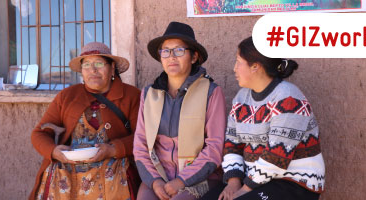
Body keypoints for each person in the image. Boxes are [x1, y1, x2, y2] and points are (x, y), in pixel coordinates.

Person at [202, 36, 325, 200]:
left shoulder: (289, 98)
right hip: (253, 179)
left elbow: (276, 157)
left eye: (238, 62)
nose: (234, 68)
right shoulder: (241, 98)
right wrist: (233, 182)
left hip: (293, 182)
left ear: (255, 67)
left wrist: (245, 190)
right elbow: (232, 144)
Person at [29, 42, 141, 200]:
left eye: (99, 64)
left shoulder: (132, 96)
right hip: (67, 175)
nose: (93, 70)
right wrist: (54, 151)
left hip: (114, 173)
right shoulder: (67, 96)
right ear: (81, 71)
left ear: (112, 67)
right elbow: (39, 134)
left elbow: (143, 138)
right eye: (86, 65)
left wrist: (113, 149)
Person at [133, 22, 227, 200]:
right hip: (159, 176)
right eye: (165, 51)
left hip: (199, 178)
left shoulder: (211, 92)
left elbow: (215, 147)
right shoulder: (148, 94)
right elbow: (140, 145)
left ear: (193, 57)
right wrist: (154, 181)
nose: (171, 57)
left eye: (179, 51)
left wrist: (181, 181)